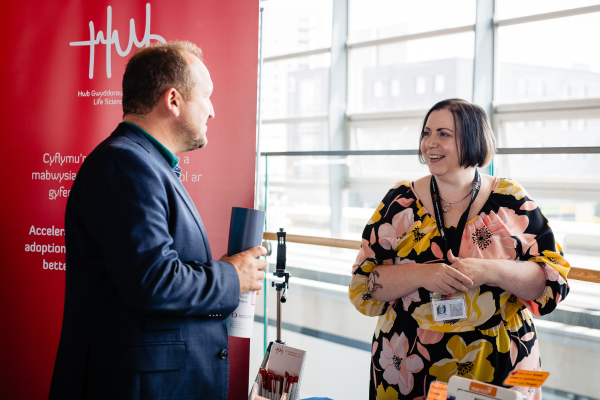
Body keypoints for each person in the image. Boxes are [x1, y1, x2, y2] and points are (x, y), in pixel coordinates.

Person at [49, 41, 267, 400]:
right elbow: (154, 280)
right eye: (207, 96)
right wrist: (233, 275)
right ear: (173, 100)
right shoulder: (126, 164)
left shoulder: (143, 164)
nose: (213, 111)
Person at [349, 99, 570, 400]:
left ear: (472, 138)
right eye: (427, 133)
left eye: (443, 134)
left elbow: (552, 281)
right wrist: (421, 274)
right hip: (408, 364)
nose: (430, 143)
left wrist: (489, 270)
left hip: (499, 361)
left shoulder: (511, 199)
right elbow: (364, 285)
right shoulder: (400, 201)